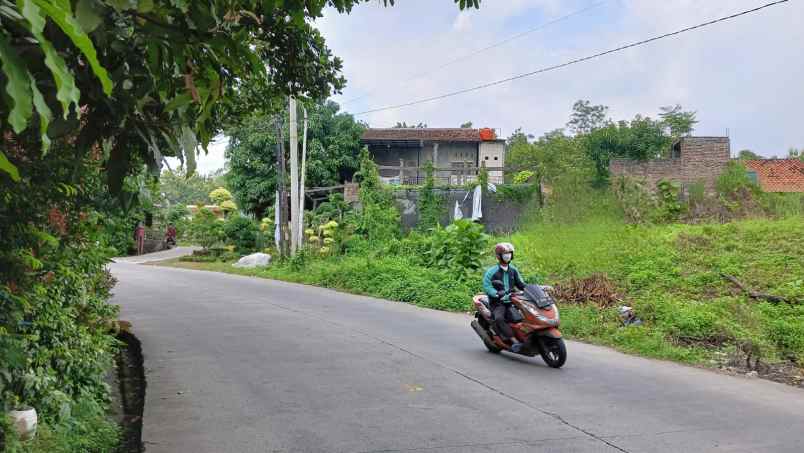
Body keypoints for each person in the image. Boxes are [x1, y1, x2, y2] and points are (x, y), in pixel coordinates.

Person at [483, 242, 527, 352]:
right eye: (505, 253)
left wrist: (534, 288)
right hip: (498, 302)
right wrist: (497, 293)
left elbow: (521, 284)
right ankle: (514, 341)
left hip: (513, 300)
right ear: (498, 256)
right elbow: (487, 287)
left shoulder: (513, 270)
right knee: (499, 318)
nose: (508, 255)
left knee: (526, 316)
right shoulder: (491, 272)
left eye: (509, 253)